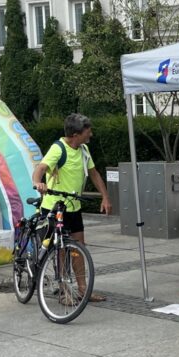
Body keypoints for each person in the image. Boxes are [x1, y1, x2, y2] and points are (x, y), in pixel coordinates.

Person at [32, 113, 110, 303]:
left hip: (73, 207)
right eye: (87, 132)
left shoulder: (83, 150)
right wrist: (37, 182)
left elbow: (93, 173)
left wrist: (105, 197)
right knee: (60, 250)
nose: (90, 135)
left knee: (78, 248)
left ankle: (83, 289)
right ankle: (65, 291)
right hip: (54, 207)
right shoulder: (58, 149)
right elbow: (40, 169)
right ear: (76, 134)